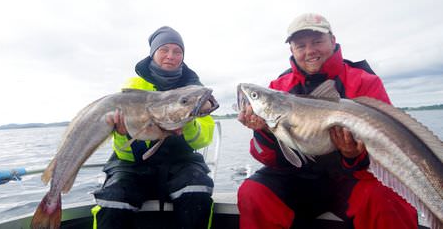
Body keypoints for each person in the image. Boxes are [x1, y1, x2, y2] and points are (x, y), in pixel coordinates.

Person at [237, 13, 418, 229]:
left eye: (317, 41)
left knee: (388, 199)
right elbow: (271, 160)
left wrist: (354, 155)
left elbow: (389, 150)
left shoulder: (364, 82)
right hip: (298, 179)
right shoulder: (278, 88)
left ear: (332, 41)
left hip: (352, 177)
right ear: (292, 50)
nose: (309, 51)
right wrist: (264, 131)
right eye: (300, 45)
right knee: (254, 192)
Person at [92, 26, 216, 229]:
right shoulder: (134, 86)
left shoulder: (196, 90)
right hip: (134, 165)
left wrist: (187, 123)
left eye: (177, 51)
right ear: (153, 53)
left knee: (198, 187)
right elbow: (124, 154)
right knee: (114, 198)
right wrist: (124, 134)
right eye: (164, 50)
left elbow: (203, 139)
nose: (170, 56)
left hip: (181, 161)